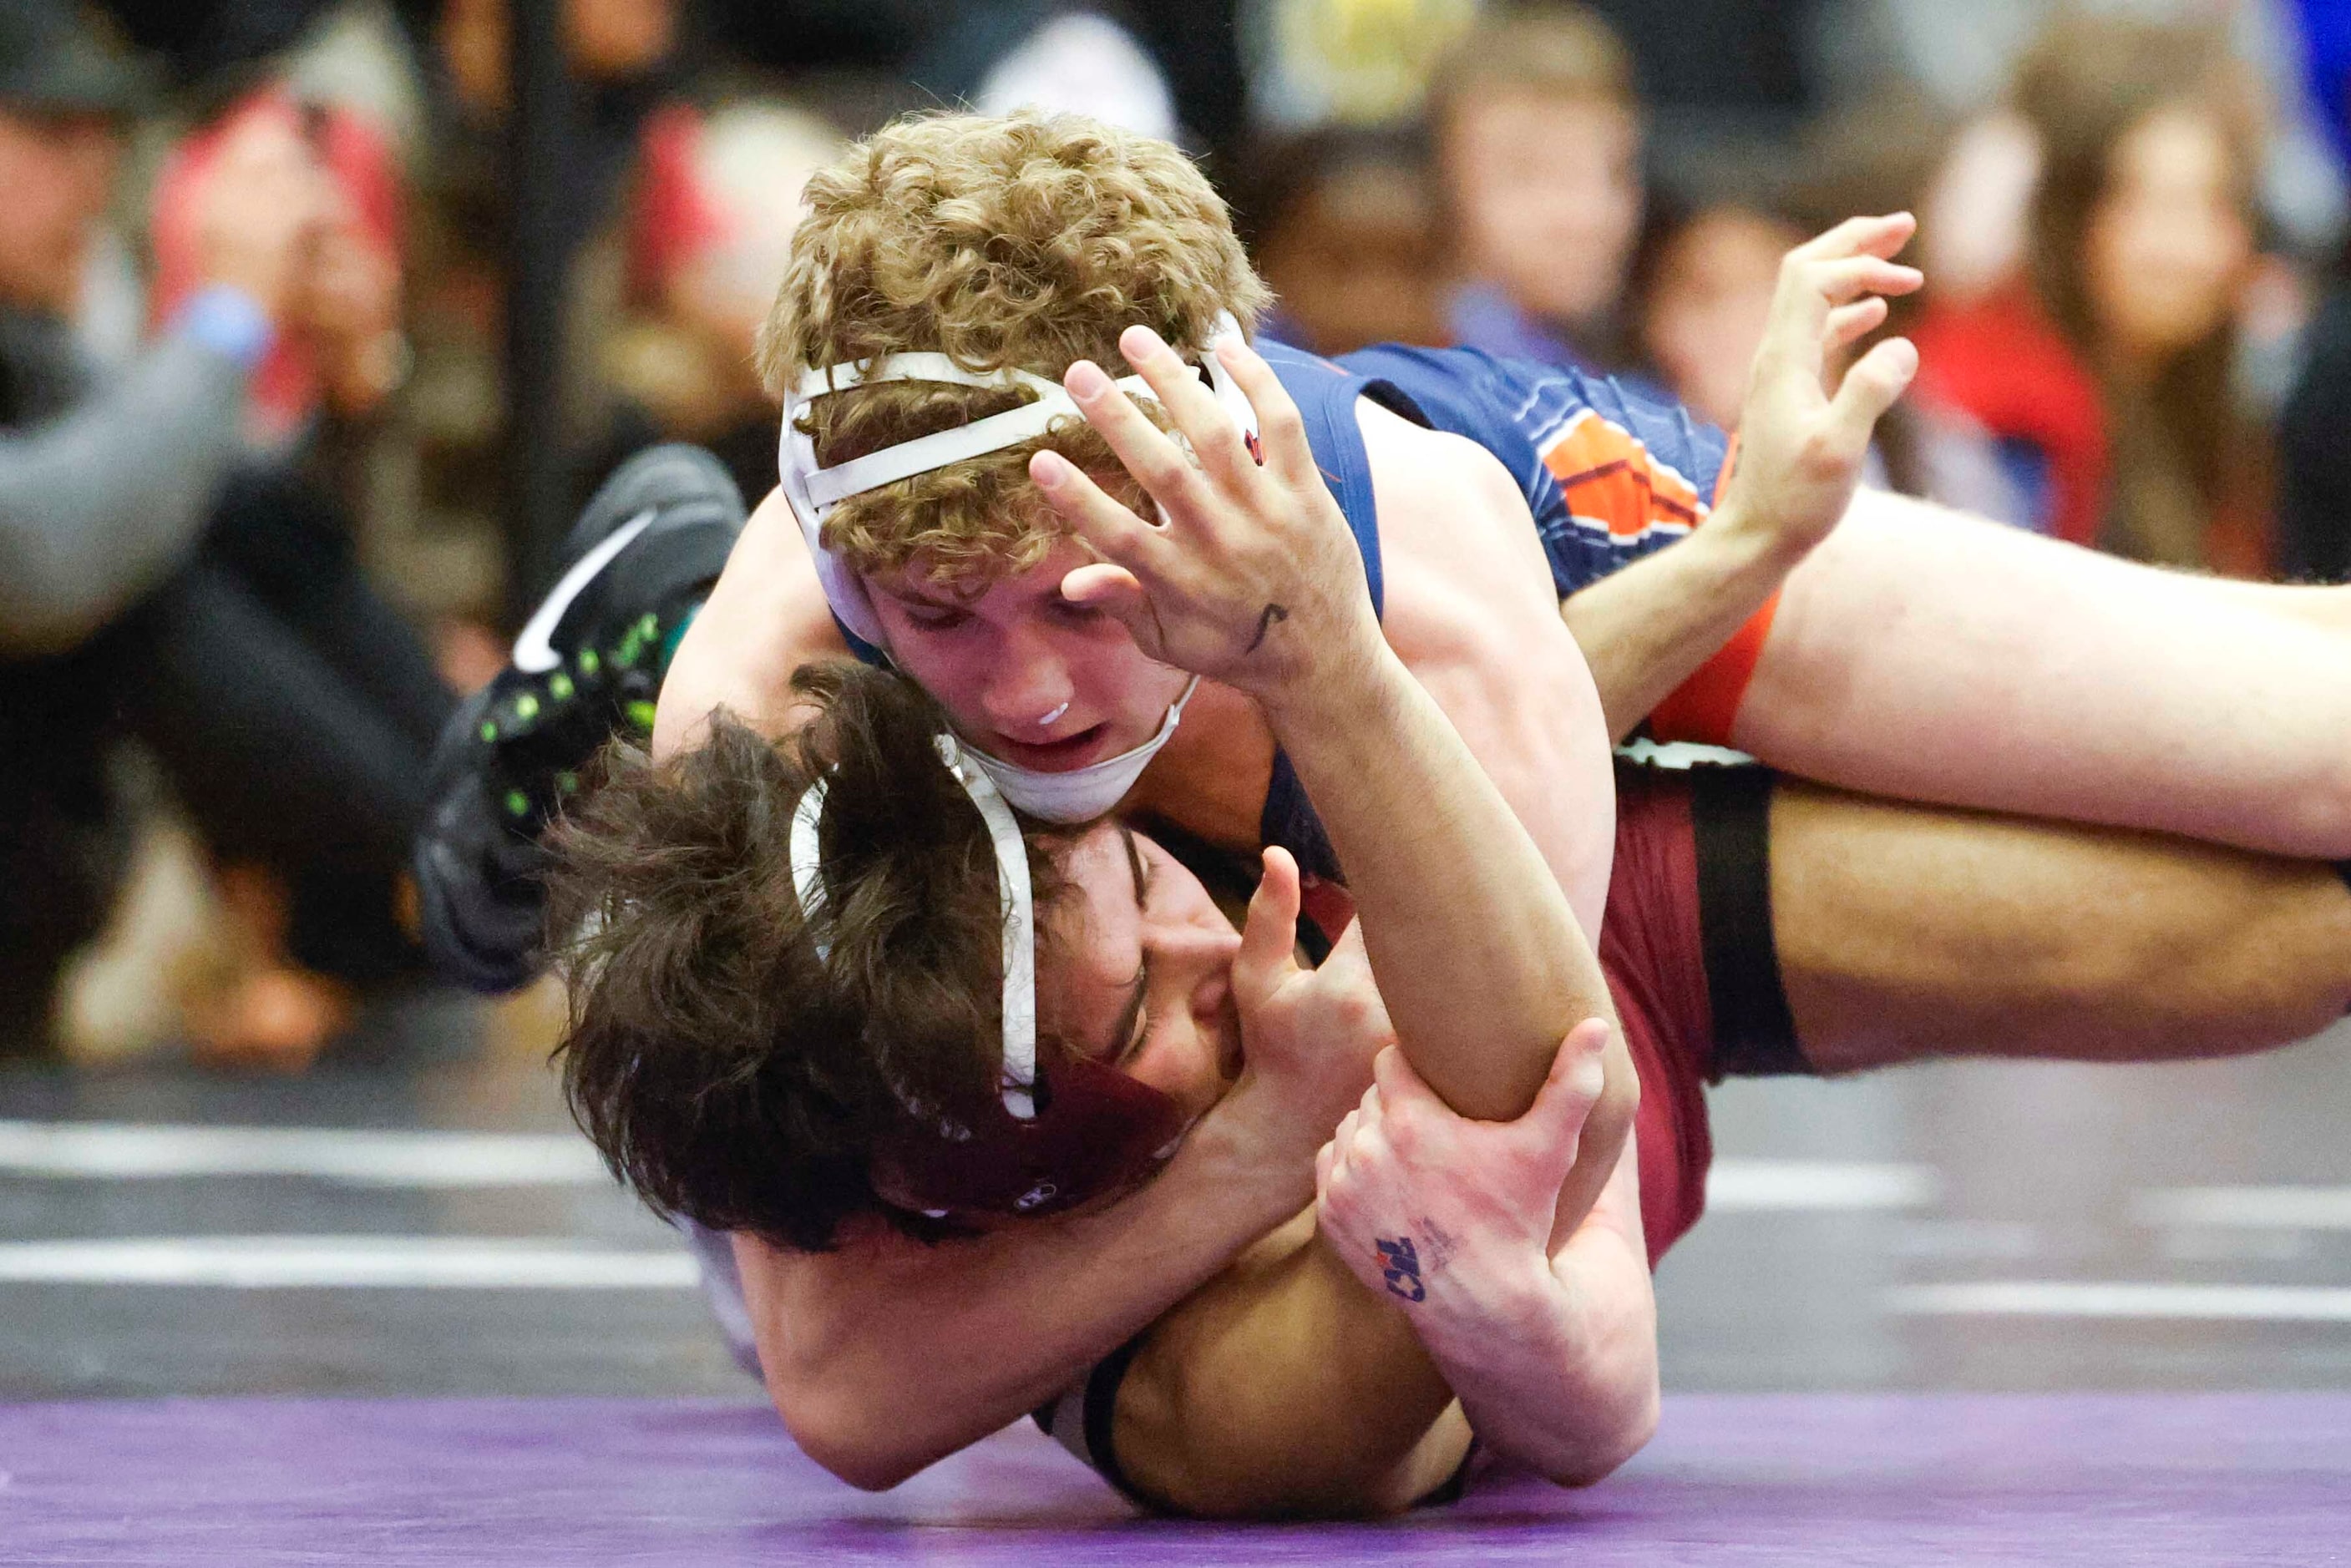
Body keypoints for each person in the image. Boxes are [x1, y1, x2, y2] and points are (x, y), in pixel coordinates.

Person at [420, 108, 2351, 1497]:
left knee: (2305, 751)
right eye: (937, 612)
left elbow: (1573, 1288)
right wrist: (1264, 1153)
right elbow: (843, 1388)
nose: (1019, 685)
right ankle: (601, 714)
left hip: (1473, 657)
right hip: (1271, 1047)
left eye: (1084, 597)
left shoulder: (1434, 577)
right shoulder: (770, 703)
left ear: (1224, 468)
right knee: (1257, 1392)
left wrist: (1377, 655)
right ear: (840, 565)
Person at [0, 0, 455, 1060]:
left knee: (237, 527)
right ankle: (445, 863)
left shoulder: (46, 324)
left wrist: (348, 396)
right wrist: (228, 320)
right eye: (49, 134)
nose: (92, 175)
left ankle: (469, 849)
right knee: (146, 587)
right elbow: (35, 558)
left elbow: (220, 511)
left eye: (106, 139)